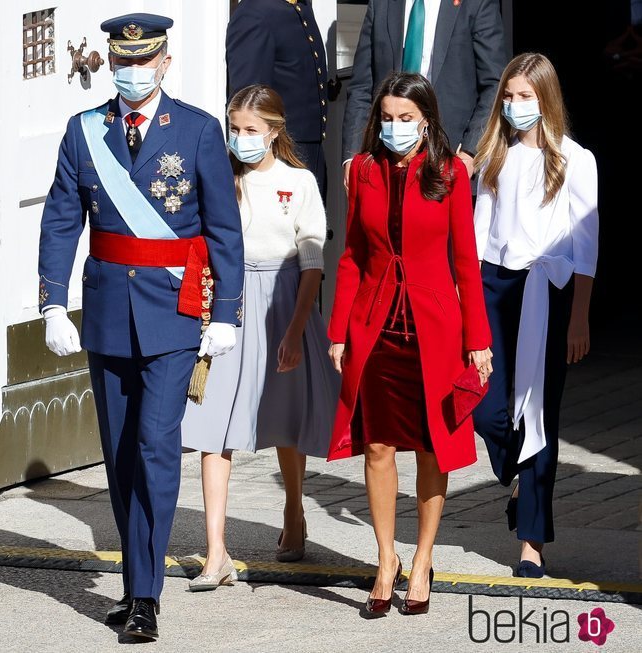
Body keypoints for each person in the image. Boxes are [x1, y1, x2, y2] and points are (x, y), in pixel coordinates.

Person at [37, 13, 245, 641]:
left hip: (175, 311)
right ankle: (134, 584)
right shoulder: (84, 132)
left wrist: (227, 312)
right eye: (120, 62)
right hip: (105, 312)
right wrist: (51, 303)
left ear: (164, 64)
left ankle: (147, 597)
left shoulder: (200, 132)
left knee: (157, 446)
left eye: (141, 62)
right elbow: (60, 218)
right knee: (122, 454)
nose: (129, 73)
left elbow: (222, 229)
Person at [326, 71, 492, 617]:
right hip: (375, 327)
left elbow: (466, 263)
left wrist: (478, 340)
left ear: (426, 121)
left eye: (406, 119)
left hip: (433, 329)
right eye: (387, 119)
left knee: (429, 448)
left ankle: (421, 560)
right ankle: (384, 559)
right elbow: (351, 255)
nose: (394, 128)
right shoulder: (365, 171)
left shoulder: (448, 174)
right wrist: (337, 331)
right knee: (376, 446)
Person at [182, 84, 339, 590]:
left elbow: (312, 263)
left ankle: (294, 510)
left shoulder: (300, 181)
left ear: (274, 131)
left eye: (251, 130)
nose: (241, 139)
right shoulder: (218, 177)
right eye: (235, 129)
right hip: (228, 302)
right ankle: (216, 552)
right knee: (213, 427)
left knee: (286, 423)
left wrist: (295, 329)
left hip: (282, 300)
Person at [472, 53, 599, 579]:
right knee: (485, 407)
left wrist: (580, 317)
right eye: (510, 95)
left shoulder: (575, 158)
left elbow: (586, 243)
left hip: (546, 287)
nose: (515, 105)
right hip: (492, 283)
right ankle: (513, 471)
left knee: (540, 415)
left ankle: (531, 541)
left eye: (526, 96)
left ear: (545, 100)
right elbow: (480, 230)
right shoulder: (493, 156)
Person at [341, 0, 507, 189]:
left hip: (450, 162)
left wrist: (470, 153)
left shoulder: (475, 4)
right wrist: (352, 156)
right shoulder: (381, 4)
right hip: (386, 165)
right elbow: (361, 86)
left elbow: (495, 84)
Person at [225, 0, 331, 192]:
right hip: (277, 153)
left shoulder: (300, 6)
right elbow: (247, 98)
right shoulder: (254, 11)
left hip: (308, 152)